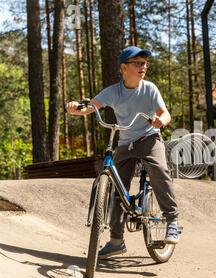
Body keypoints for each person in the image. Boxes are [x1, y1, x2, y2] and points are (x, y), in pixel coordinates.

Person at [66, 46, 179, 259]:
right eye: (137, 63)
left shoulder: (150, 89)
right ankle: (116, 241)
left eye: (144, 63)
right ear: (123, 68)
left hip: (149, 138)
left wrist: (160, 121)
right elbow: (90, 107)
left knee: (159, 171)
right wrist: (74, 108)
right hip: (125, 143)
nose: (142, 67)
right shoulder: (113, 92)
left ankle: (172, 221)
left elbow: (165, 114)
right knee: (118, 188)